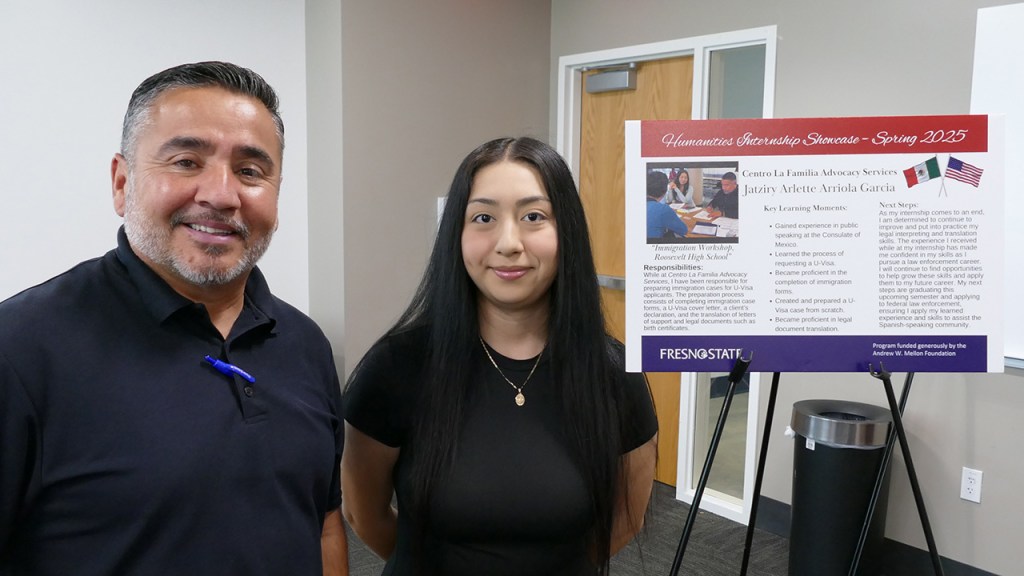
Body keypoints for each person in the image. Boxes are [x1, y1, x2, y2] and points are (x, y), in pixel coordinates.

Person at [0, 62, 347, 576]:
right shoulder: (21, 349)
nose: (221, 195)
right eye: (186, 161)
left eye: (251, 171)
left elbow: (322, 522)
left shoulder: (305, 343)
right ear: (122, 183)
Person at [341, 137, 658, 575]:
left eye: (533, 216)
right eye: (484, 217)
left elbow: (625, 518)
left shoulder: (612, 372)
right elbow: (365, 516)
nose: (509, 242)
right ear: (458, 233)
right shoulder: (396, 367)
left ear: (565, 230)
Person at [646, 169, 690, 240]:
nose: (683, 179)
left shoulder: (690, 188)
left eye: (685, 177)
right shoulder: (663, 210)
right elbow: (684, 230)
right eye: (681, 177)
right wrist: (670, 189)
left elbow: (685, 200)